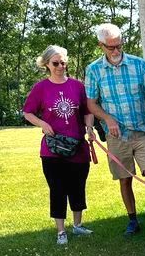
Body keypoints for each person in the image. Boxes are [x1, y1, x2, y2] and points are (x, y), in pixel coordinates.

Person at [85, 23, 145, 240]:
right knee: (125, 178)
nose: (116, 51)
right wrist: (106, 118)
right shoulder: (93, 70)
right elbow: (91, 103)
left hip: (142, 131)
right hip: (116, 135)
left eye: (118, 46)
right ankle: (132, 219)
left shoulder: (139, 64)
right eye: (110, 47)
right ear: (101, 46)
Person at [23, 45, 95, 245]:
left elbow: (87, 111)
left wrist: (89, 128)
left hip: (78, 147)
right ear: (46, 64)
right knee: (57, 188)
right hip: (53, 150)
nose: (60, 66)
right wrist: (43, 123)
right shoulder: (40, 88)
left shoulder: (78, 86)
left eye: (63, 62)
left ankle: (78, 225)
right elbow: (27, 112)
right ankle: (61, 231)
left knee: (77, 186)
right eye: (55, 63)